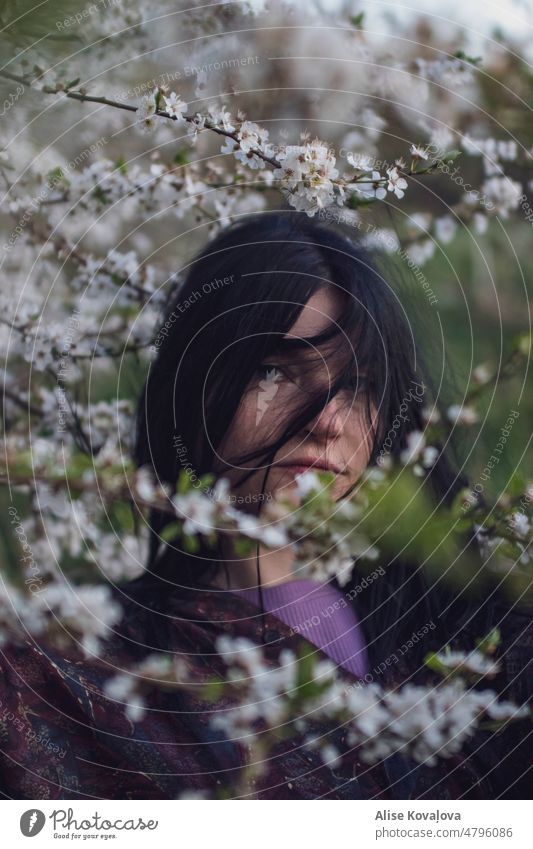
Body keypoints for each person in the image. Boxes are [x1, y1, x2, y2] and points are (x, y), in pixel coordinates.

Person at [0, 212, 530, 800]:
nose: (328, 420)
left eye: (359, 385)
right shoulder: (80, 675)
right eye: (276, 372)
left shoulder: (485, 639)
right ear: (195, 393)